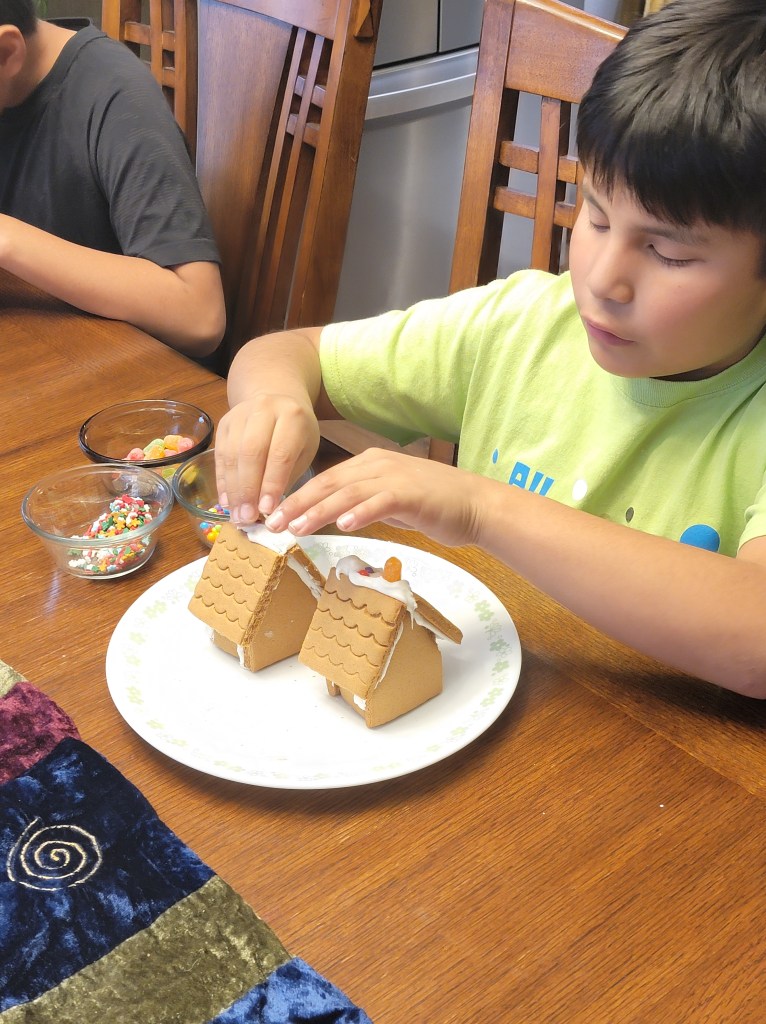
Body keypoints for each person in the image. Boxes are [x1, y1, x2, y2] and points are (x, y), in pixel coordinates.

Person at [214, 0, 766, 698]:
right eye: (593, 214)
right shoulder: (524, 324)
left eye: (667, 253)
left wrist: (483, 509)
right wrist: (271, 400)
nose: (600, 278)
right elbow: (288, 353)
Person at [0, 0, 225, 357]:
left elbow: (199, 315)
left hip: (125, 380)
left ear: (6, 53)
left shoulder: (117, 97)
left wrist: (7, 238)